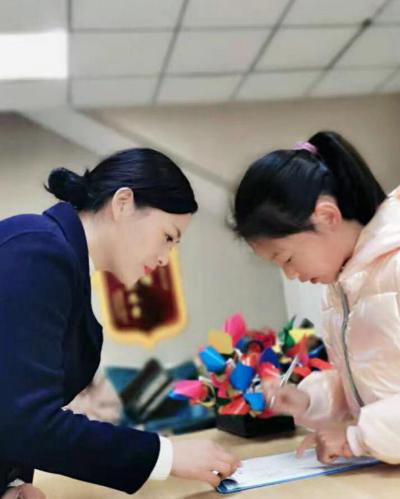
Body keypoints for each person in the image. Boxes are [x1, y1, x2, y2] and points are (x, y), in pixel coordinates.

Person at [231, 130, 400, 469]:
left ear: (327, 216)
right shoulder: (343, 289)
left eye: (286, 258)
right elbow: (373, 383)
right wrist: (309, 400)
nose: (291, 274)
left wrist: (356, 437)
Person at [0, 148, 239, 498]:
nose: (164, 258)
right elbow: (26, 419)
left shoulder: (57, 257)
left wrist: (12, 484)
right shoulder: (37, 251)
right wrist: (165, 454)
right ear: (123, 203)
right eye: (168, 237)